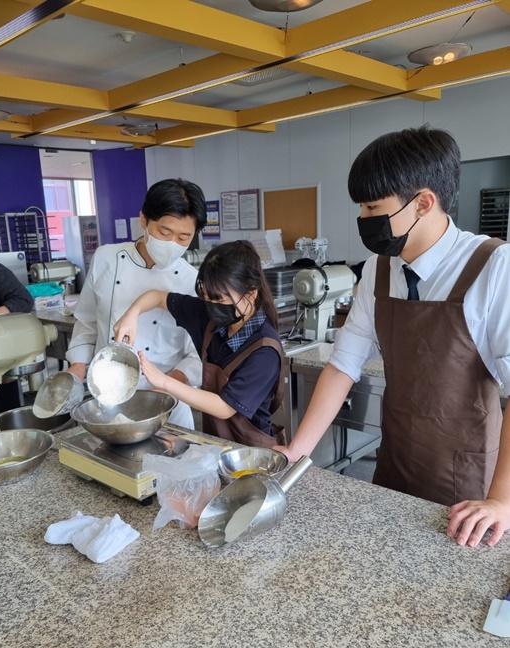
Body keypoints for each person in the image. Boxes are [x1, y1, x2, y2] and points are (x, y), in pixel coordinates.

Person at [277, 125, 510, 548]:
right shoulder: (378, 270)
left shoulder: (495, 267)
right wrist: (298, 450)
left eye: (372, 207)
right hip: (395, 462)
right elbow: (343, 364)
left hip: (468, 481)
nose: (363, 220)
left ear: (423, 202)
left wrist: (501, 501)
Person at [114, 240, 286, 447]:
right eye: (207, 298)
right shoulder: (208, 316)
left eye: (221, 302)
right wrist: (131, 315)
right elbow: (158, 297)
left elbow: (224, 407)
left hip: (252, 450)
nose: (212, 308)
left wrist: (165, 382)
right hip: (214, 442)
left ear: (251, 293)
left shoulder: (264, 350)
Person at [66, 178, 206, 429]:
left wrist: (167, 385)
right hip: (106, 397)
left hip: (166, 403)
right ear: (144, 220)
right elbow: (87, 322)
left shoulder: (191, 282)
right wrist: (77, 367)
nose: (172, 244)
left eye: (184, 237)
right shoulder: (106, 259)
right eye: (164, 232)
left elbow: (198, 353)